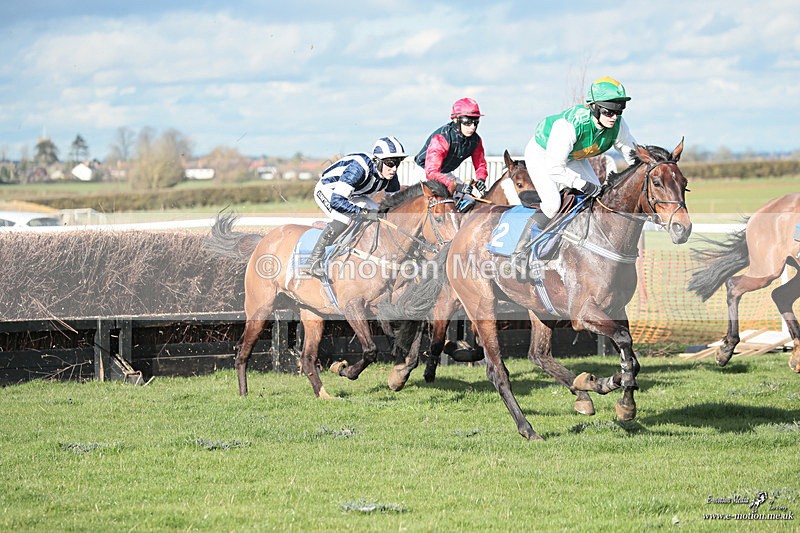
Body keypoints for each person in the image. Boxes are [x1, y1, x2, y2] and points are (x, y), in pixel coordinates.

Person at [523, 76, 638, 232]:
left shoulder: (618, 125)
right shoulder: (568, 126)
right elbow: (554, 168)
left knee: (599, 198)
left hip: (572, 156)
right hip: (542, 154)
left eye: (619, 111)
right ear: (593, 107)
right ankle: (520, 247)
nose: (614, 117)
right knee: (552, 205)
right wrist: (581, 184)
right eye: (609, 112)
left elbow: (634, 156)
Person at [304, 136, 407, 278]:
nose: (394, 169)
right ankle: (312, 260)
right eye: (390, 163)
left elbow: (395, 207)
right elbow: (337, 201)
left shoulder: (391, 175)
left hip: (352, 194)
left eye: (398, 163)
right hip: (330, 191)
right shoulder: (358, 169)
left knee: (377, 214)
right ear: (377, 161)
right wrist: (363, 212)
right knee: (344, 217)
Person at [414, 97, 488, 212]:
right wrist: (457, 186)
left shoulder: (476, 140)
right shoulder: (441, 138)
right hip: (424, 171)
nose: (472, 127)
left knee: (470, 201)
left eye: (475, 122)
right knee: (439, 204)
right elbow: (431, 172)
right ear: (456, 120)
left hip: (443, 173)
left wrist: (481, 179)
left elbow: (480, 164)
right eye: (467, 122)